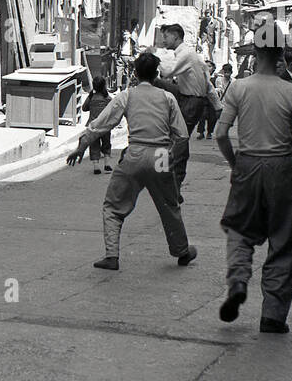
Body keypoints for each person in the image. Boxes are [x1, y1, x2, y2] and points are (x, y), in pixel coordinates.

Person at [214, 41, 292, 334]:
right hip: (281, 168)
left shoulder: (237, 87)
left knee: (239, 228)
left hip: (248, 165)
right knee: (285, 240)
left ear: (255, 56)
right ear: (280, 57)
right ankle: (273, 315)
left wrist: (234, 162)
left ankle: (238, 280)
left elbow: (221, 133)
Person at [66, 51, 196, 272]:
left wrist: (83, 146)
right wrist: (172, 160)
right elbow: (182, 136)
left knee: (113, 207)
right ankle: (182, 251)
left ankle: (112, 255)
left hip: (135, 153)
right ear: (156, 74)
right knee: (169, 207)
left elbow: (101, 123)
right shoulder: (168, 98)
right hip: (161, 156)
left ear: (135, 73)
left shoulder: (127, 96)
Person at [156, 23, 211, 198]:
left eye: (166, 36)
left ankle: (168, 180)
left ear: (176, 37)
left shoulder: (186, 54)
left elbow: (167, 72)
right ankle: (169, 180)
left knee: (177, 140)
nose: (164, 40)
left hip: (190, 101)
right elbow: (206, 81)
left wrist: (153, 56)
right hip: (188, 98)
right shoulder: (189, 54)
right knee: (178, 140)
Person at [82, 75, 114, 175]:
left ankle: (96, 167)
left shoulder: (91, 98)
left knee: (94, 145)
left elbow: (84, 108)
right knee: (106, 144)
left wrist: (90, 95)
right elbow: (113, 109)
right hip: (105, 125)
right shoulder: (108, 98)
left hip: (93, 126)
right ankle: (107, 164)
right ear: (104, 86)